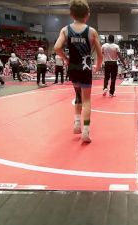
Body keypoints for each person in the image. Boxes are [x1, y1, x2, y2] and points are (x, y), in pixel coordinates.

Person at [54, 0, 103, 143]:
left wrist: (66, 59)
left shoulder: (65, 30)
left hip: (73, 67)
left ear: (71, 14)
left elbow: (57, 47)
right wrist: (98, 66)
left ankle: (76, 124)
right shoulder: (92, 31)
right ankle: (86, 131)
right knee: (87, 100)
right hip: (86, 68)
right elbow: (99, 55)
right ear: (87, 15)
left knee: (78, 96)